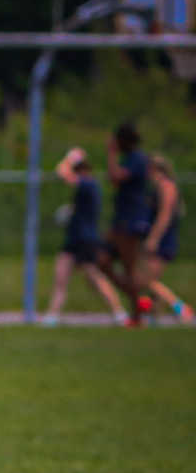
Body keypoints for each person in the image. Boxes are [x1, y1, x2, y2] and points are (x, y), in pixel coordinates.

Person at [42, 147, 129, 326]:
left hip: (85, 239)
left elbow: (61, 172)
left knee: (94, 278)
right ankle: (52, 316)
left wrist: (72, 157)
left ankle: (120, 314)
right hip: (73, 238)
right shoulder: (87, 187)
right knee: (61, 276)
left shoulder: (88, 184)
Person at [95, 121, 153, 326]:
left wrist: (111, 153)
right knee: (100, 260)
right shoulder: (130, 159)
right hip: (120, 221)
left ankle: (138, 316)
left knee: (130, 270)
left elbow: (114, 177)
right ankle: (142, 300)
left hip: (131, 222)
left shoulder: (137, 159)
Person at [141, 153, 192, 324]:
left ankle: (180, 307)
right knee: (153, 281)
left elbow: (165, 215)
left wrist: (153, 238)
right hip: (159, 236)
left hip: (163, 238)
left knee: (148, 281)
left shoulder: (166, 186)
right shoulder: (156, 187)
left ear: (153, 169)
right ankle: (154, 317)